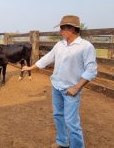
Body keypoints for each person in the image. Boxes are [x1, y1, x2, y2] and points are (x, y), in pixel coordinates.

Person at [22, 15, 97, 148]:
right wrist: (30, 67)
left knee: (71, 122)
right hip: (56, 86)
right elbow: (47, 58)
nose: (60, 31)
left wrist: (76, 88)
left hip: (71, 90)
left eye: (62, 28)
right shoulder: (60, 44)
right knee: (58, 115)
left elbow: (91, 71)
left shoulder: (86, 47)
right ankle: (62, 141)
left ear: (72, 29)